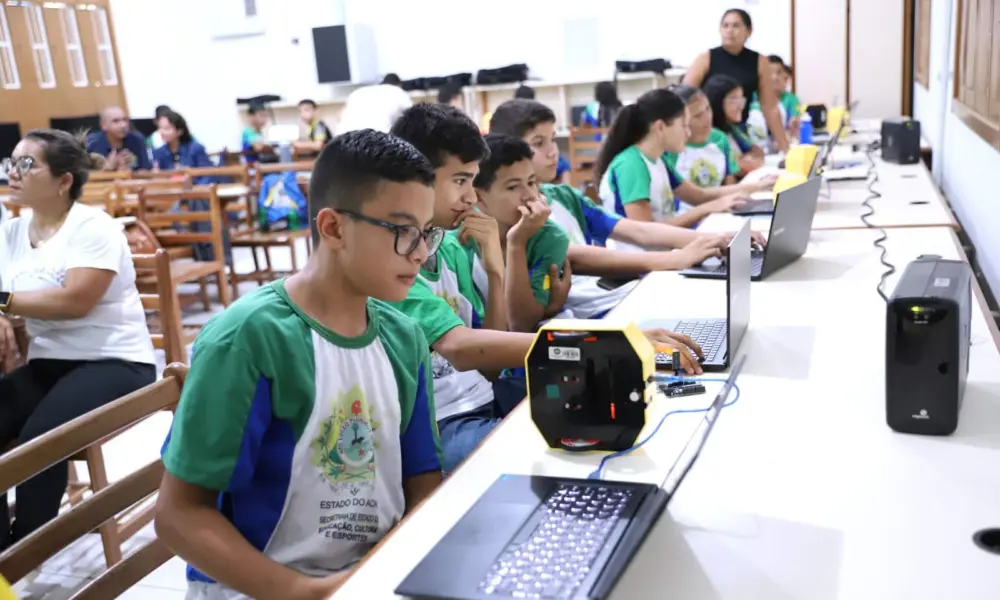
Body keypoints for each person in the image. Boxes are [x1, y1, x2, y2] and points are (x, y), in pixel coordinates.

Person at [155, 130, 444, 600]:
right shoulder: (249, 339)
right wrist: (309, 592)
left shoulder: (404, 337)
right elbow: (178, 515)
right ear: (333, 228)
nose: (421, 252)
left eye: (427, 232)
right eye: (402, 231)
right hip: (263, 587)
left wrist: (397, 569)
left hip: (372, 577)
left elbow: (422, 480)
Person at [388, 104, 706, 472]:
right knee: (578, 452)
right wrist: (607, 344)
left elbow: (489, 369)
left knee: (627, 407)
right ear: (419, 177)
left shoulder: (450, 247)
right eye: (461, 181)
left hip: (488, 396)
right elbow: (461, 348)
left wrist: (495, 271)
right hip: (445, 423)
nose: (471, 197)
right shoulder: (397, 262)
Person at [0, 130, 156, 550]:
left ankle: (28, 548)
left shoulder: (93, 226)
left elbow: (76, 301)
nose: (13, 172)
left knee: (38, 440)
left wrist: (5, 302)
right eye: (11, 162)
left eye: (27, 163)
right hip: (49, 364)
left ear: (64, 180)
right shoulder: (10, 233)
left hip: (116, 362)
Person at [489, 99, 762, 274]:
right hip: (590, 308)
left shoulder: (563, 195)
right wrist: (675, 259)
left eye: (552, 140)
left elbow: (638, 230)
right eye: (539, 143)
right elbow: (574, 256)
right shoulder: (509, 213)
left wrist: (716, 239)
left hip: (611, 290)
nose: (553, 152)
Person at [593, 88, 769, 235]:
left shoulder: (658, 161)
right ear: (660, 127)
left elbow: (699, 196)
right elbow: (646, 233)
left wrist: (757, 186)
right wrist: (710, 208)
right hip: (639, 263)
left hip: (664, 254)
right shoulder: (632, 164)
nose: (688, 133)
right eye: (684, 125)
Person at [472, 134, 575, 330]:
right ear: (478, 196)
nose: (529, 195)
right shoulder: (458, 238)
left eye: (531, 182)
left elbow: (520, 324)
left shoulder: (550, 237)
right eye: (513, 187)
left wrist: (516, 244)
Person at [683, 8, 788, 153]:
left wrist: (785, 147)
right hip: (710, 128)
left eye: (736, 26)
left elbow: (770, 107)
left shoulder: (759, 62)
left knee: (756, 155)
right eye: (725, 25)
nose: (730, 30)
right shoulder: (705, 58)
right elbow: (684, 97)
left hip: (739, 127)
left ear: (748, 31)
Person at [664, 84, 741, 203]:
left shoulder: (720, 139)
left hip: (719, 208)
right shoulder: (670, 148)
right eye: (697, 115)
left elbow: (729, 182)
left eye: (708, 108)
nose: (707, 118)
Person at [704, 74, 765, 174]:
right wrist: (740, 164)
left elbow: (758, 151)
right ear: (717, 101)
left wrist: (745, 161)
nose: (740, 106)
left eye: (741, 99)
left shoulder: (732, 128)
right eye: (734, 100)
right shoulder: (710, 135)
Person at [747, 56, 801, 146]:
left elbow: (794, 123)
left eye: (779, 73)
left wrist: (794, 126)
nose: (774, 77)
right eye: (770, 73)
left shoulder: (791, 99)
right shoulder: (751, 97)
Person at [336, 73, 413, 134]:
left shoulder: (358, 92)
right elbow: (413, 117)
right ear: (399, 84)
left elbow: (339, 116)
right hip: (376, 138)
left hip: (343, 138)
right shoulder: (398, 92)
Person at [86, 106, 152, 171]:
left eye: (125, 120)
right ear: (103, 125)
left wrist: (127, 172)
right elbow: (84, 174)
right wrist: (107, 169)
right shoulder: (91, 143)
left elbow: (145, 170)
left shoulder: (137, 139)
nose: (123, 125)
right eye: (116, 121)